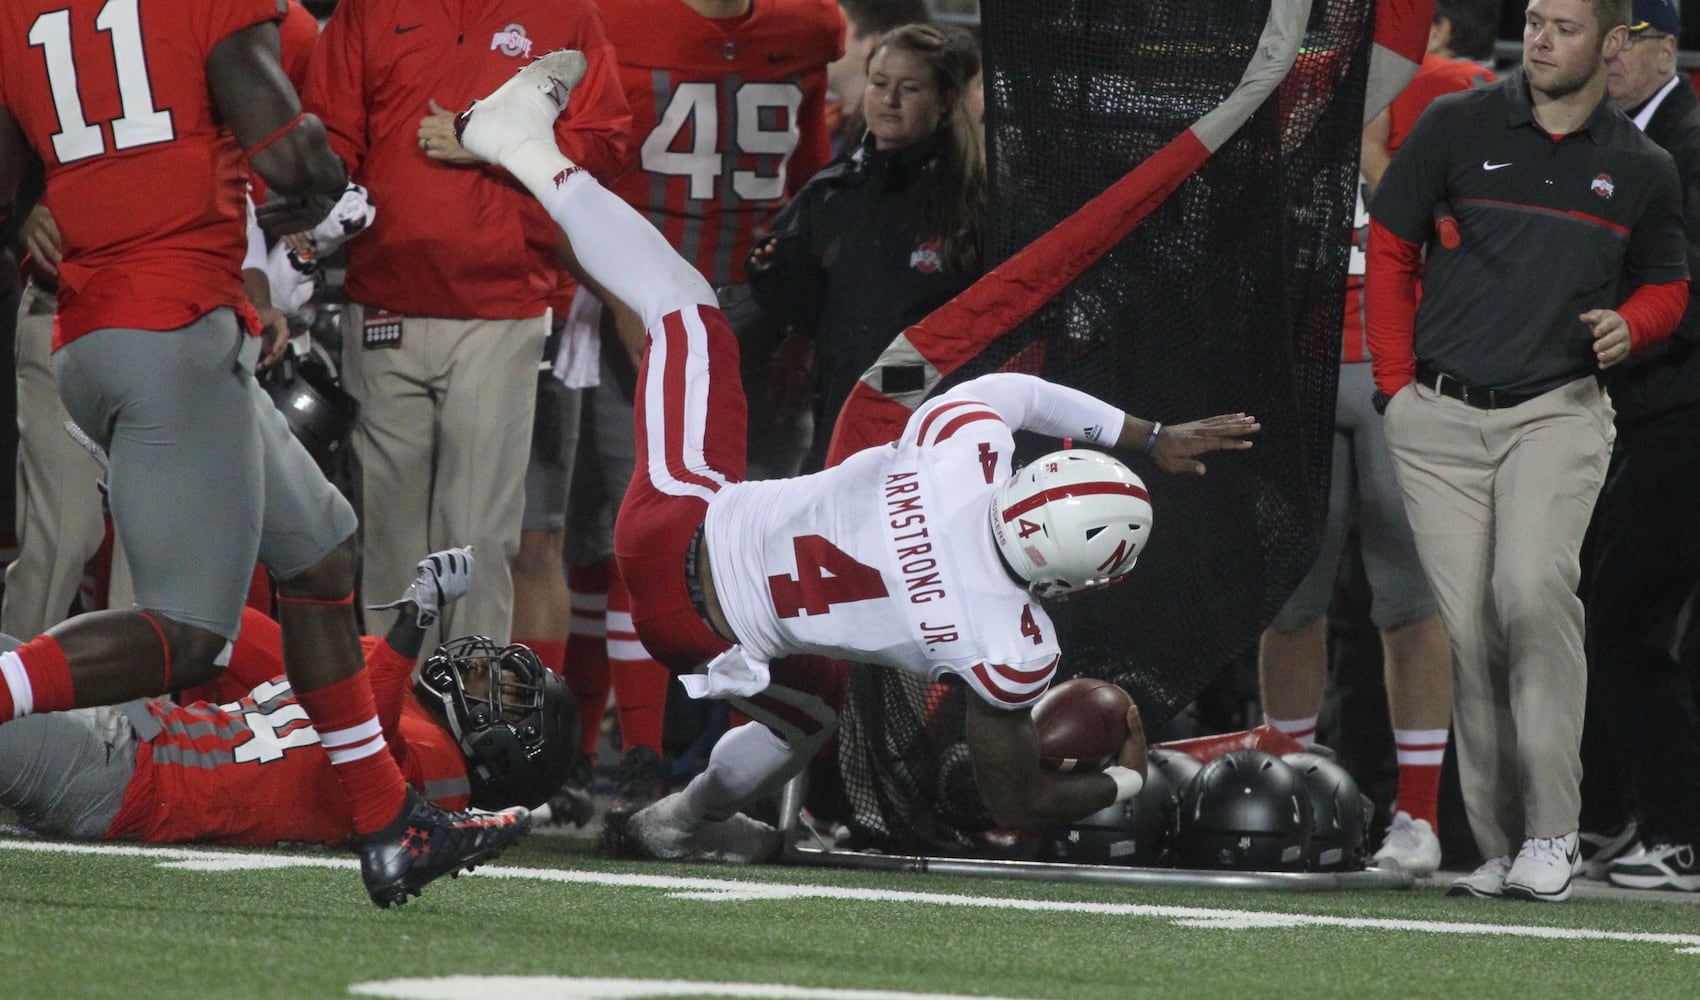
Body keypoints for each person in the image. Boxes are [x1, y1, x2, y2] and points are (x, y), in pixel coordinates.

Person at [451, 51, 1261, 855]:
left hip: (675, 524)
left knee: (685, 309)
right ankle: (677, 820)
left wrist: (1148, 437)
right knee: (810, 719)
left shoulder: (960, 451)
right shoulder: (1005, 642)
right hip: (706, 640)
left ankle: (522, 145)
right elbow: (1014, 793)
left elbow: (1030, 400)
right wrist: (1129, 777)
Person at [0, 0, 529, 908]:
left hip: (107, 326)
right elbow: (290, 153)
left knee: (321, 551)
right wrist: (327, 178)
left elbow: (12, 179)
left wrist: (32, 222)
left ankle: (387, 821)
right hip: (171, 327)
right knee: (186, 635)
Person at [1365, 0, 1689, 903]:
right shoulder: (1456, 123)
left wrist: (1632, 325)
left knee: (1532, 593)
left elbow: (1668, 285)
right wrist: (1396, 391)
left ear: (1613, 44)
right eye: (1534, 21)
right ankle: (1504, 844)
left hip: (1557, 413)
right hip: (1438, 418)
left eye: (1565, 26)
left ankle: (1555, 829)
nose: (1540, 39)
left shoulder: (1643, 166)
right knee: (1470, 630)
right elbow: (1391, 247)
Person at [545, 0, 846, 841]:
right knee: (634, 538)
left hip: (754, 319)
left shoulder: (810, 27)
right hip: (650, 302)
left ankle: (731, 770)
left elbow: (810, 188)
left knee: (765, 558)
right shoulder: (619, 20)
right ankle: (634, 755)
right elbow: (577, 186)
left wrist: (798, 318)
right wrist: (629, 308)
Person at [304, 0, 631, 650]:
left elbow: (610, 140)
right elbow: (327, 137)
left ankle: (469, 738)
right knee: (389, 537)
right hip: (385, 300)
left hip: (500, 307)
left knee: (478, 539)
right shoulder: (368, 10)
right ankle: (393, 731)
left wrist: (498, 142)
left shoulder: (566, 15)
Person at [1257, 0, 1495, 880]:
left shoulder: (1446, 87)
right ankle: (1277, 788)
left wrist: (1364, 143)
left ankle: (1421, 817)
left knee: (1410, 601)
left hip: (1404, 366)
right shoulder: (1279, 88)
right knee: (1291, 600)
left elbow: (1463, 223)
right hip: (1301, 368)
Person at [0, 547, 577, 848]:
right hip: (137, 733)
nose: (479, 664)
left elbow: (365, 741)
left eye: (500, 688)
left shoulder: (443, 775)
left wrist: (412, 626)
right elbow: (233, 636)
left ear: (502, 750)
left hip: (124, 781)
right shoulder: (393, 682)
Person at [750, 22, 987, 473]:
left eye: (909, 88)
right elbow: (803, 312)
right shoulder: (831, 192)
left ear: (944, 99)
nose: (889, 100)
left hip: (937, 429)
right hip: (840, 415)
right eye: (880, 84)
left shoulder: (979, 199)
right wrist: (773, 271)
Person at [1583, 0, 1700, 893]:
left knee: (1622, 616)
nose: (1610, 57)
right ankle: (1613, 811)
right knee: (1609, 612)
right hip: (1643, 411)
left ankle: (1673, 827)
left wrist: (1623, 329)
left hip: (1678, 408)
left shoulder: (1683, 143)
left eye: (1626, 42)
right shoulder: (1615, 137)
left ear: (1666, 46)